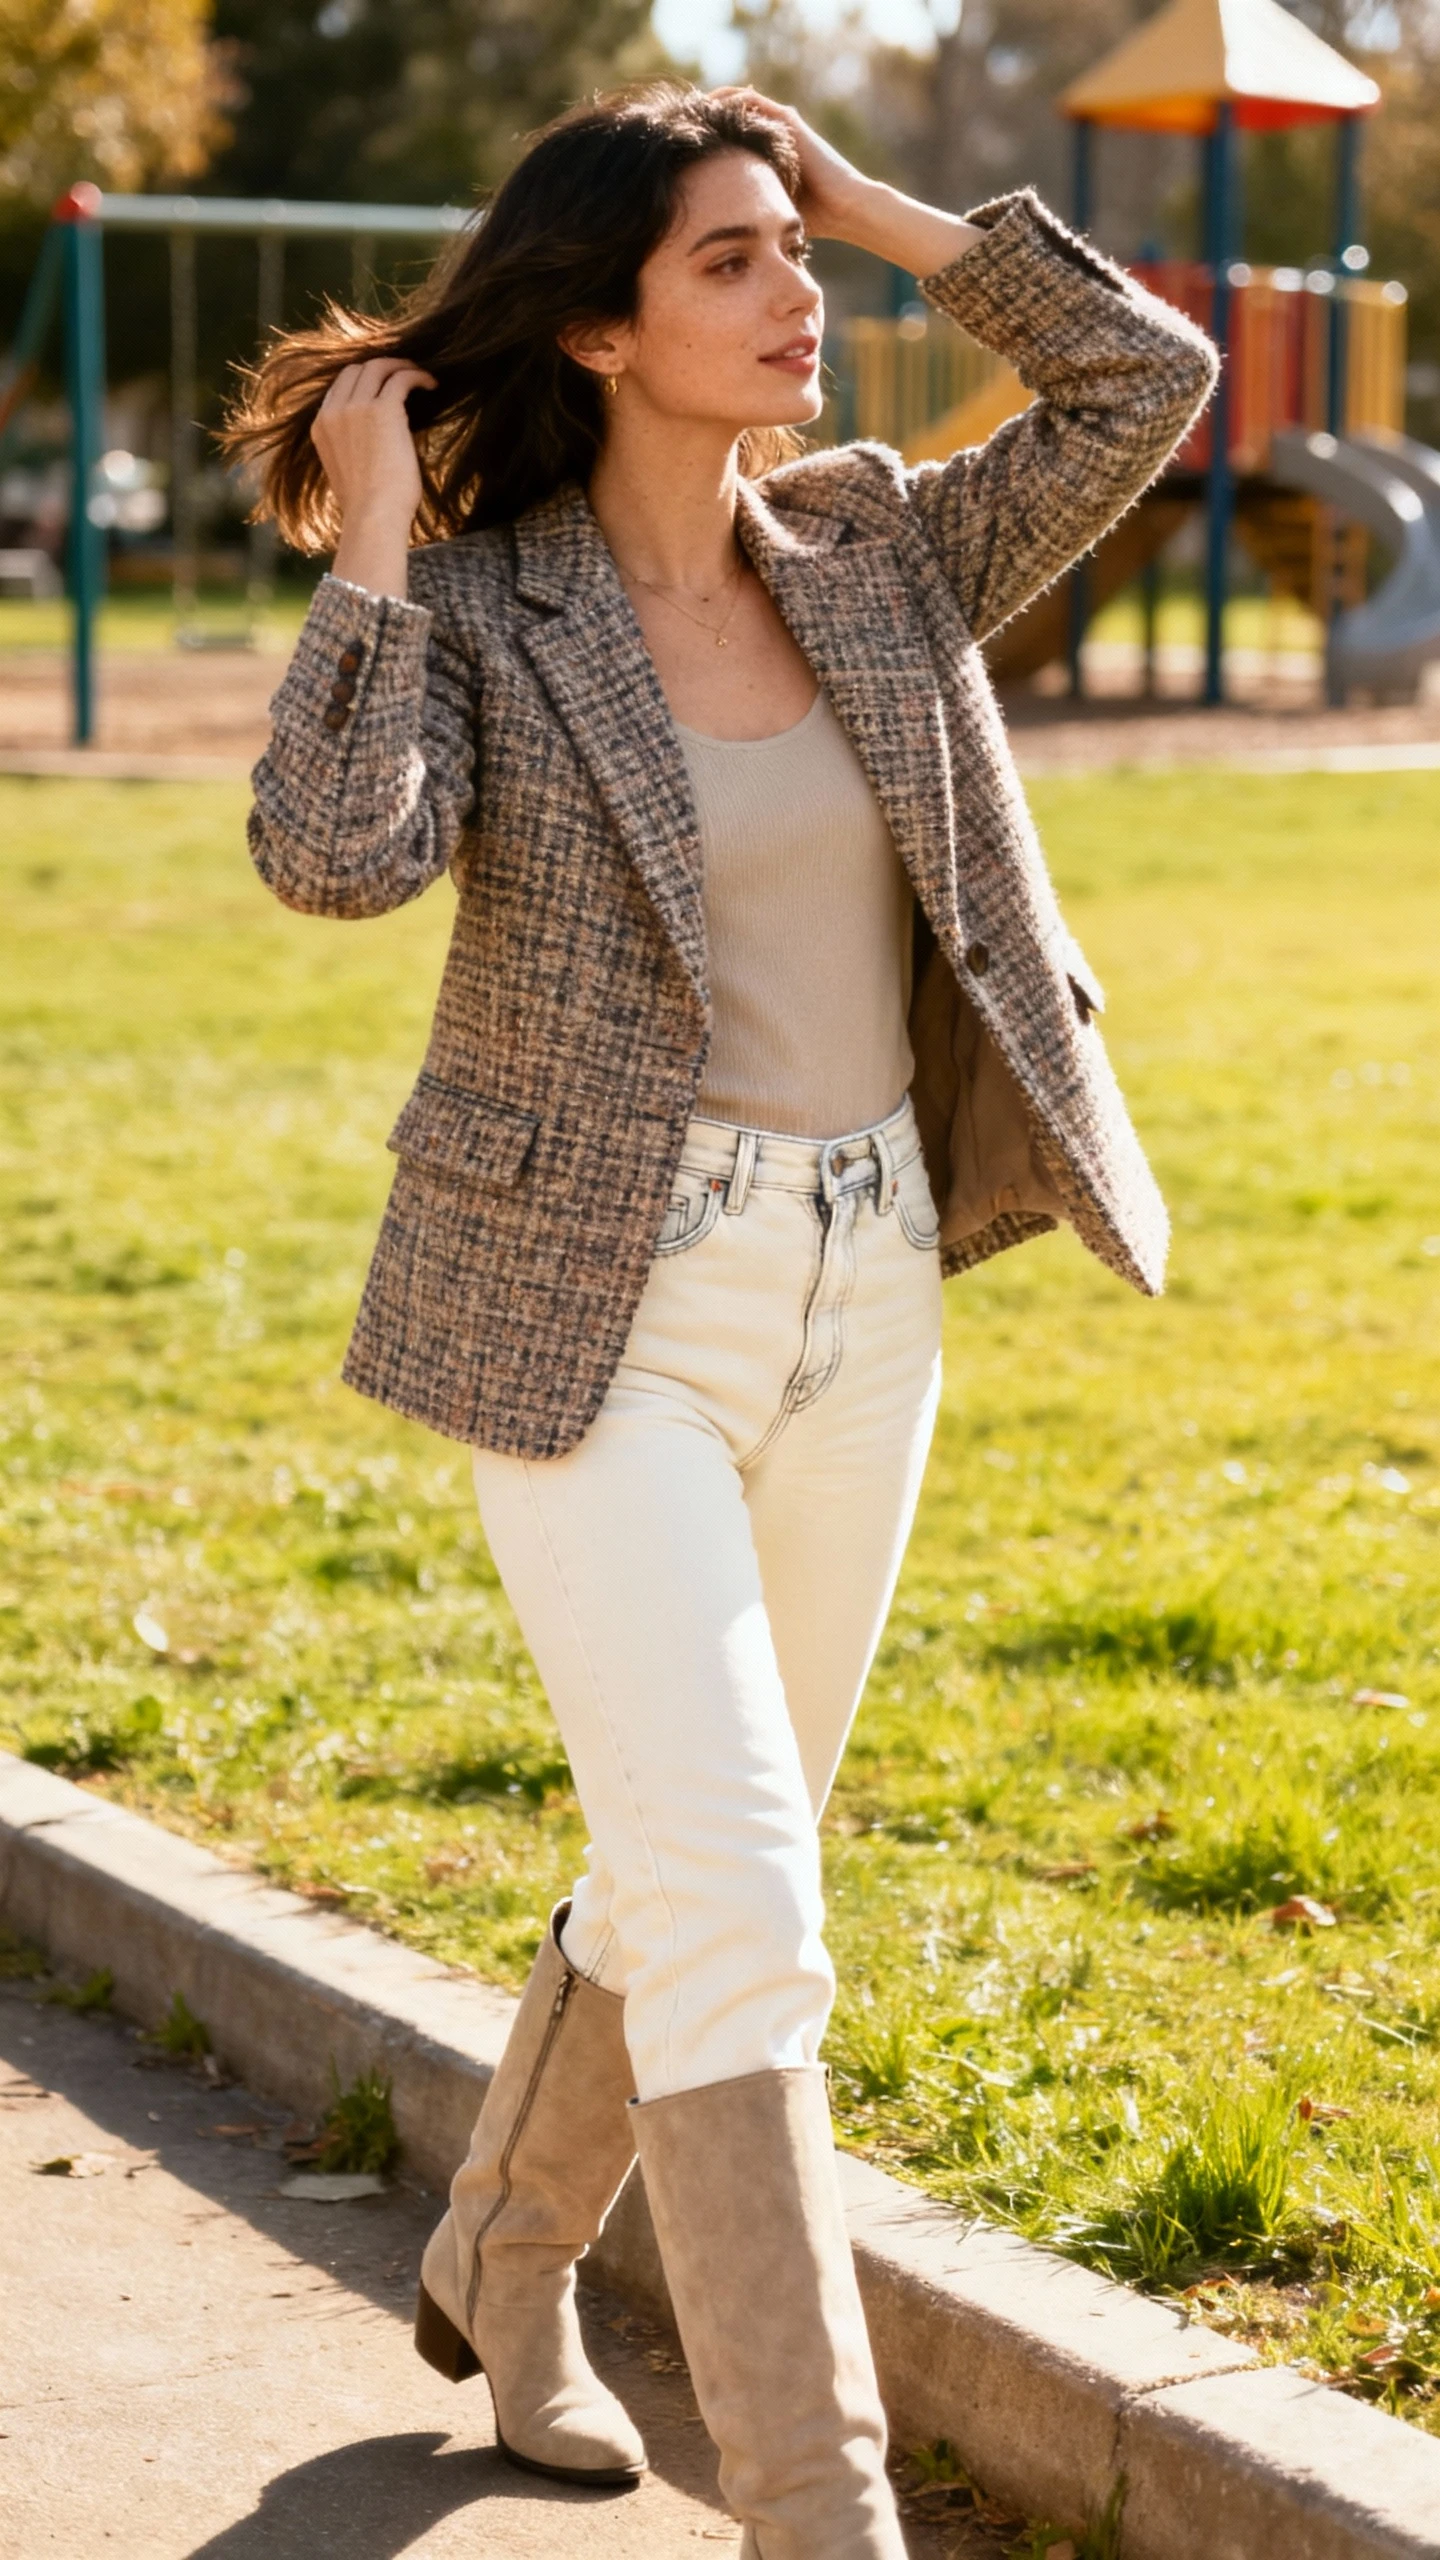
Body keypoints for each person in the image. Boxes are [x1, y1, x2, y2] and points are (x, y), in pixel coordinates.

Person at [227, 79, 1216, 2560]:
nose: (799, 297)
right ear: (599, 322)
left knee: (697, 1856)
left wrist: (889, 207)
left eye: (800, 252)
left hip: (867, 1293)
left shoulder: (878, 550)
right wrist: (370, 535)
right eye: (737, 262)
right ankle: (816, 2509)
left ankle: (505, 2239)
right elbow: (333, 859)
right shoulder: (480, 612)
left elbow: (1146, 388)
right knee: (750, 1897)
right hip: (600, 1309)